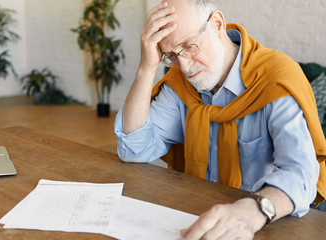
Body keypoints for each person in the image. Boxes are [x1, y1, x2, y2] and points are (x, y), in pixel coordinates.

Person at [114, 0, 326, 239]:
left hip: (267, 225)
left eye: (189, 46)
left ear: (217, 24)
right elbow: (133, 149)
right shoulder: (180, 85)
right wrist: (146, 67)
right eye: (171, 56)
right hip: (194, 219)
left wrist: (255, 209)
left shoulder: (275, 82)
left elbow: (301, 172)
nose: (183, 67)